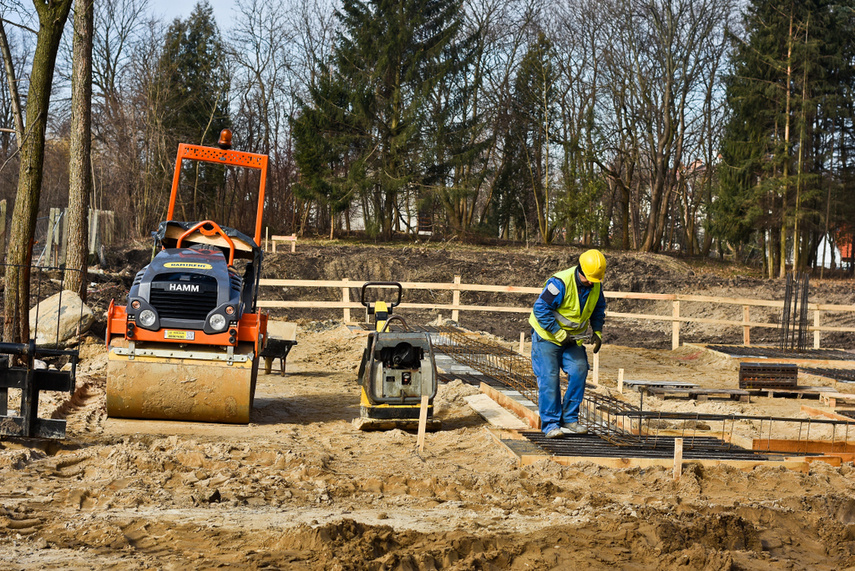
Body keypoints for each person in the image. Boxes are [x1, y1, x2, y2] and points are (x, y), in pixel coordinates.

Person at [529, 249, 606, 438]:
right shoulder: (560, 283)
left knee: (580, 369)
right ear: (580, 270)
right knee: (549, 378)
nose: (591, 283)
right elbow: (540, 309)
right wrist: (558, 332)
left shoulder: (595, 285)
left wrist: (597, 332)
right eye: (588, 279)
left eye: (595, 280)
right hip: (547, 336)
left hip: (572, 340)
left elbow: (598, 309)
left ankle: (569, 419)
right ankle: (550, 424)